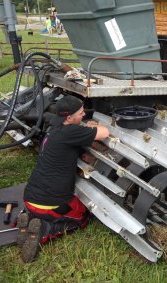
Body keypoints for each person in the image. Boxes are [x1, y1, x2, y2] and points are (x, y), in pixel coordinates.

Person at [17, 95, 110, 263]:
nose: (83, 115)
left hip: (30, 199)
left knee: (43, 208)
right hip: (51, 204)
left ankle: (29, 218)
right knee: (81, 217)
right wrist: (94, 125)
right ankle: (45, 230)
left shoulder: (53, 129)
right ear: (69, 117)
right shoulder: (72, 131)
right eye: (81, 113)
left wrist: (85, 126)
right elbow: (105, 133)